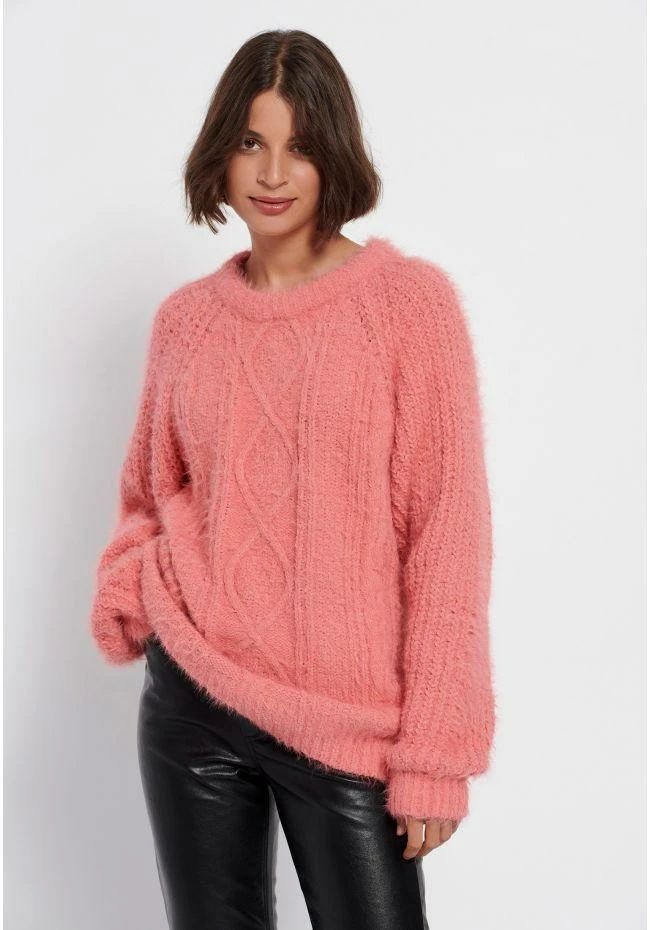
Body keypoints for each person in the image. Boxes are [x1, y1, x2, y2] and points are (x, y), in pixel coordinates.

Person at [89, 28, 496, 930]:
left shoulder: (408, 306)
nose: (272, 173)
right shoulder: (186, 322)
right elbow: (149, 493)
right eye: (250, 142)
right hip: (193, 702)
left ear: (334, 156)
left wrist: (435, 752)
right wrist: (134, 585)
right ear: (220, 153)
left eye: (300, 146)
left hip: (347, 721)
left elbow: (446, 535)